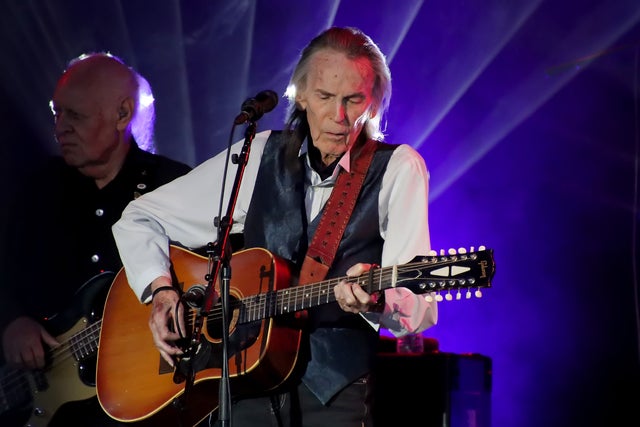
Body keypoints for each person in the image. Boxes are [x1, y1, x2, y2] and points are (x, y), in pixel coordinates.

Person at [111, 26, 438, 427]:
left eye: (353, 100)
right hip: (244, 384)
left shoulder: (398, 168)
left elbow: (420, 309)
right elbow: (139, 218)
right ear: (300, 95)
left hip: (333, 395)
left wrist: (378, 301)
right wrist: (160, 290)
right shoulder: (260, 154)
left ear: (373, 104)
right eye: (324, 97)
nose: (339, 116)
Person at [0, 52, 192, 427]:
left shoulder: (171, 186)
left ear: (122, 114)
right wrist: (11, 321)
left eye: (75, 116)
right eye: (57, 113)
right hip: (47, 402)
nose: (60, 128)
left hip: (140, 400)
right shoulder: (36, 188)